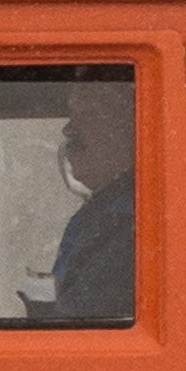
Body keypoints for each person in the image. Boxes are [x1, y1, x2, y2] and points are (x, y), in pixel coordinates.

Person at [39, 80, 137, 322]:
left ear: (128, 127)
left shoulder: (136, 219)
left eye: (89, 114)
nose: (68, 130)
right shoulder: (99, 212)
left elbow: (83, 317)